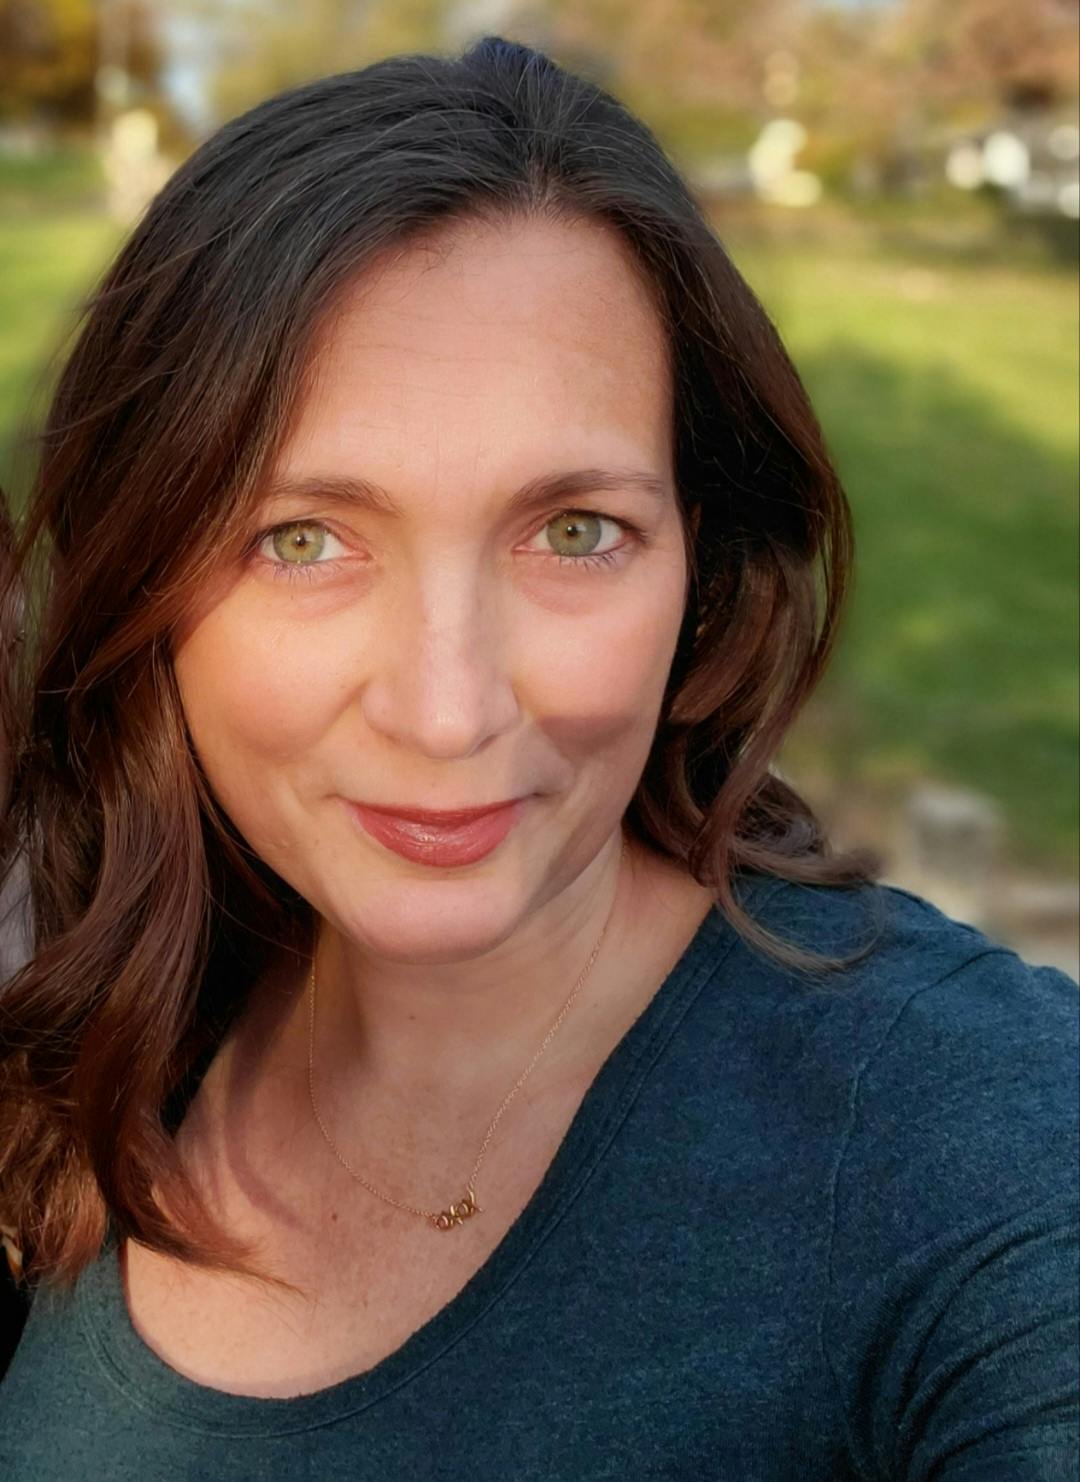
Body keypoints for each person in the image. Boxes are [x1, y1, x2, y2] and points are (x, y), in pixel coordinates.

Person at [0, 35, 1076, 1482]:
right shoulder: (113, 1010)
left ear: (702, 567)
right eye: (302, 539)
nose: (448, 713)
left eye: (575, 533)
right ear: (145, 579)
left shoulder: (978, 1141)